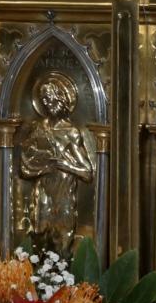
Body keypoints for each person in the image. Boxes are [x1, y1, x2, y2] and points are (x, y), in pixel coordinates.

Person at [16, 71, 96, 253]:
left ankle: (64, 278)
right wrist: (45, 167)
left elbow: (87, 172)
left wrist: (65, 165)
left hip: (64, 195)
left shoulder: (71, 133)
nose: (48, 105)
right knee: (39, 237)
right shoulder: (38, 130)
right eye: (44, 101)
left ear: (62, 100)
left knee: (62, 242)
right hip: (43, 193)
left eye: (52, 99)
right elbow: (24, 169)